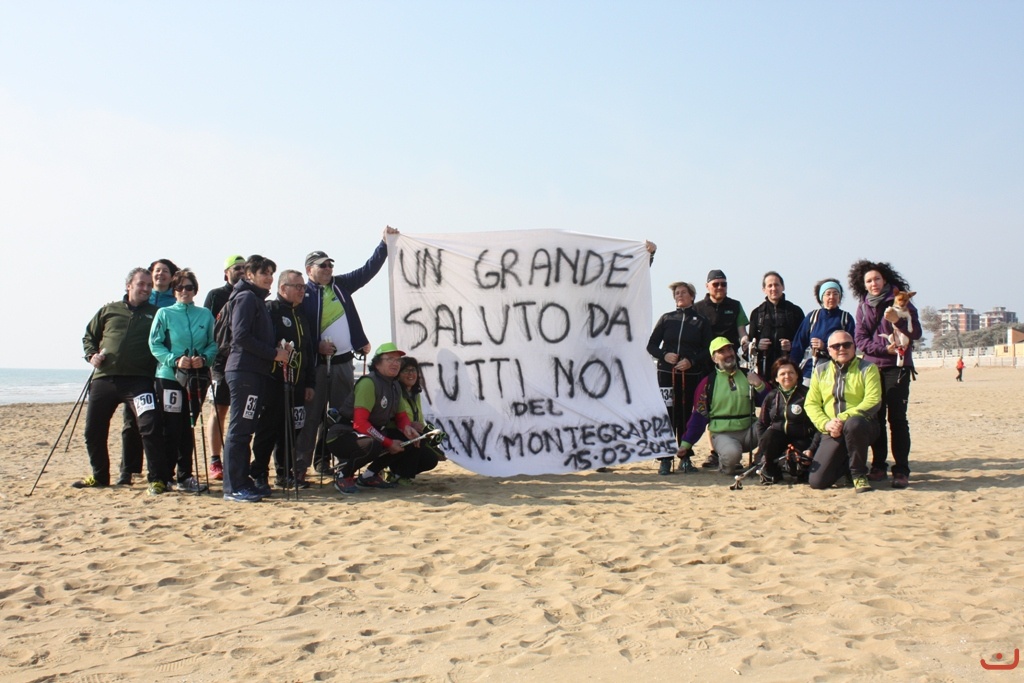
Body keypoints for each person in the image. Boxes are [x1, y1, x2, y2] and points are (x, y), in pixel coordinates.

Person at [296, 226, 399, 476]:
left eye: (330, 265)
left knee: (340, 417)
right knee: (312, 416)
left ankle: (329, 461)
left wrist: (383, 245)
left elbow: (367, 271)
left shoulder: (341, 285)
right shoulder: (302, 294)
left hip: (343, 362)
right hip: (317, 364)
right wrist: (317, 345)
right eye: (322, 266)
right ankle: (299, 467)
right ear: (309, 270)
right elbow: (298, 332)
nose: (328, 269)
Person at [76, 268, 168, 495]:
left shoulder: (157, 314)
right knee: (93, 430)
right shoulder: (109, 310)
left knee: (150, 426)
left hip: (139, 381)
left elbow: (165, 342)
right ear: (129, 285)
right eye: (141, 284)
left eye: (149, 285)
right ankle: (100, 476)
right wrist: (91, 355)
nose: (146, 288)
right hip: (105, 379)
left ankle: (157, 479)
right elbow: (89, 336)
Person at [221, 255, 291, 502]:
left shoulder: (256, 299)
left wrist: (277, 348)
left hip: (255, 372)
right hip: (244, 371)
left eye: (271, 273)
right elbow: (240, 336)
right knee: (240, 429)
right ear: (249, 275)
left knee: (246, 429)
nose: (269, 278)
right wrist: (274, 353)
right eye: (264, 273)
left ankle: (242, 481)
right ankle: (234, 486)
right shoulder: (246, 297)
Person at [849, 260, 921, 490]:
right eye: (869, 281)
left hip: (898, 367)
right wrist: (883, 350)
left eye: (877, 279)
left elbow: (916, 333)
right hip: (872, 368)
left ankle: (901, 470)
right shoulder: (862, 307)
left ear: (885, 280)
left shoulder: (902, 300)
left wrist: (897, 321)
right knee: (875, 418)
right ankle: (878, 465)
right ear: (863, 285)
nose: (874, 284)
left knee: (897, 419)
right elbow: (860, 340)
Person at [147, 269, 217, 494]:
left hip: (196, 379)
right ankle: (164, 476)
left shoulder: (205, 315)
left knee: (189, 425)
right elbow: (155, 343)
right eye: (179, 287)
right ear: (173, 290)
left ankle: (185, 476)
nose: (184, 291)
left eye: (188, 287)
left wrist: (204, 359)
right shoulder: (164, 313)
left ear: (195, 290)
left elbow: (214, 344)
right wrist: (174, 360)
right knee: (171, 427)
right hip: (169, 377)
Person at [118, 257, 181, 484]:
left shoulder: (176, 300)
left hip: (165, 370)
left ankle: (164, 471)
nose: (160, 274)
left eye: (165, 271)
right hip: (138, 370)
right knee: (132, 421)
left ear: (172, 277)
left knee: (163, 422)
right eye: (156, 270)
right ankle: (128, 469)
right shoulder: (139, 299)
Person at [252, 270, 315, 491]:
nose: (301, 290)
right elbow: (261, 341)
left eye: (303, 287)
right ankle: (259, 473)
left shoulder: (301, 314)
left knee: (291, 430)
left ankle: (284, 473)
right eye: (297, 286)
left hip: (298, 383)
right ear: (282, 288)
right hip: (274, 381)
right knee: (268, 430)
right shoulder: (271, 309)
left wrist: (310, 383)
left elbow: (308, 351)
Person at [327, 342, 419, 494]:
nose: (395, 363)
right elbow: (360, 423)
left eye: (398, 360)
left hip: (368, 433)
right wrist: (388, 442)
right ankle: (343, 476)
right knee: (373, 444)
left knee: (407, 440)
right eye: (390, 359)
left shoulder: (395, 385)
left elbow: (401, 416)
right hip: (343, 434)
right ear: (377, 363)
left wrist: (407, 428)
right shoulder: (369, 383)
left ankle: (369, 476)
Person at [673, 337, 767, 474]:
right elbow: (699, 416)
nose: (728, 354)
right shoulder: (707, 384)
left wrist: (759, 385)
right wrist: (686, 444)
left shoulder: (749, 375)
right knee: (731, 456)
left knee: (772, 429)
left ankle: (761, 460)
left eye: (729, 349)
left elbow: (770, 404)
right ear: (714, 358)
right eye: (722, 351)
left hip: (750, 432)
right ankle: (726, 462)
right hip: (723, 434)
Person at [646, 280, 712, 474]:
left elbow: (708, 349)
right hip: (666, 375)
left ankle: (685, 457)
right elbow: (651, 345)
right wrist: (664, 355)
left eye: (683, 292)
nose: (679, 296)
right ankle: (665, 458)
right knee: (667, 414)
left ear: (692, 296)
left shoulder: (701, 321)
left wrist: (691, 361)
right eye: (676, 293)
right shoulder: (667, 318)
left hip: (690, 374)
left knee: (685, 415)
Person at [805, 330, 882, 493]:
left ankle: (858, 474)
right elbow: (811, 404)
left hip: (862, 426)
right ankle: (846, 465)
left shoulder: (868, 368)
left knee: (854, 424)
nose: (842, 349)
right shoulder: (820, 370)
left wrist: (842, 418)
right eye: (836, 346)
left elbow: (873, 400)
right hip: (832, 429)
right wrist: (826, 424)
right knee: (817, 481)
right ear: (829, 350)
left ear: (854, 347)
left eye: (846, 345)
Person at [204, 254, 246, 481]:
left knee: (242, 414)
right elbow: (207, 327)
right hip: (220, 363)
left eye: (244, 267)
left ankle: (235, 459)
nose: (241, 271)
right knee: (219, 410)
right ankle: (215, 460)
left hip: (244, 363)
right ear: (226, 273)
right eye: (236, 267)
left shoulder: (251, 295)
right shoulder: (216, 295)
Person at [753, 357, 818, 484]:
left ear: (797, 375)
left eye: (791, 373)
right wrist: (763, 447)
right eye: (782, 374)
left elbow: (817, 426)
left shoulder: (807, 395)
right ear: (776, 378)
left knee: (797, 468)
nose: (787, 376)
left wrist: (811, 448)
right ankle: (772, 470)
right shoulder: (772, 396)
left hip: (802, 440)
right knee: (769, 436)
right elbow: (761, 423)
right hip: (778, 439)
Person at [389, 356, 445, 484]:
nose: (411, 374)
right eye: (406, 370)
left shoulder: (415, 393)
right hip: (396, 433)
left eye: (413, 370)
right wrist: (410, 425)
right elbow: (391, 417)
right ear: (398, 374)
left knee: (431, 459)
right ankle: (402, 476)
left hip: (412, 434)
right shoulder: (395, 391)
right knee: (416, 441)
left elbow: (419, 420)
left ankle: (396, 474)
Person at [790, 278, 856, 385]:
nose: (832, 297)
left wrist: (825, 346)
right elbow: (798, 345)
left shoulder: (846, 318)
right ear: (821, 297)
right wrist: (791, 368)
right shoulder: (812, 317)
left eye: (835, 293)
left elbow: (852, 346)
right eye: (828, 294)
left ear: (839, 297)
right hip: (810, 370)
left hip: (836, 370)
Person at [748, 271, 805, 383]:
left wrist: (792, 345)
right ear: (764, 289)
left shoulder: (795, 312)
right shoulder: (757, 313)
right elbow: (749, 345)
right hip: (765, 372)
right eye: (770, 285)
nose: (773, 288)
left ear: (783, 287)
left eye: (776, 285)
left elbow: (804, 342)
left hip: (790, 373)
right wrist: (758, 345)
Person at [692, 269, 748, 349]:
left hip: (730, 353)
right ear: (707, 286)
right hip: (705, 354)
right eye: (715, 284)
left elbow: (742, 332)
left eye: (723, 284)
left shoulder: (736, 305)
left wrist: (745, 342)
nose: (720, 287)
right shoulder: (696, 308)